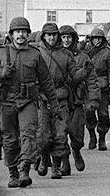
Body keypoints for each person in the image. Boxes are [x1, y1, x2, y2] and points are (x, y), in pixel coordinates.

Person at [0, 17, 57, 188]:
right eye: (17, 32)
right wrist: (0, 73)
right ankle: (13, 172)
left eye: (23, 32)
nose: (21, 35)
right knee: (10, 139)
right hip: (6, 101)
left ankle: (24, 169)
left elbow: (46, 82)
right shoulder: (1, 52)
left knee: (29, 135)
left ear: (28, 34)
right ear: (12, 34)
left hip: (28, 101)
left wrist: (54, 105)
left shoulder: (35, 55)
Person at [35, 22, 75, 179]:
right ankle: (44, 159)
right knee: (43, 136)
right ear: (43, 36)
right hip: (42, 99)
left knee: (60, 134)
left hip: (60, 99)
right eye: (48, 35)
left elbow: (74, 74)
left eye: (54, 35)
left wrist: (83, 72)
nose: (51, 38)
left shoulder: (65, 54)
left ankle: (56, 167)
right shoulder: (37, 53)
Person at [59, 25, 99, 174]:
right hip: (59, 101)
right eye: (63, 37)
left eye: (69, 37)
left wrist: (93, 100)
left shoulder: (83, 57)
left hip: (76, 101)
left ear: (74, 38)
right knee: (60, 135)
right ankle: (64, 162)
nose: (66, 40)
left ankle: (76, 151)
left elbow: (92, 80)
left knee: (77, 135)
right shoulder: (55, 55)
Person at [83, 27, 110, 151]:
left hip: (102, 86)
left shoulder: (107, 52)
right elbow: (75, 51)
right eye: (94, 38)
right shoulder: (86, 50)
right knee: (88, 112)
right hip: (88, 87)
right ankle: (92, 135)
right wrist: (84, 41)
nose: (97, 41)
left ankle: (102, 137)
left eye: (99, 38)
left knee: (103, 114)